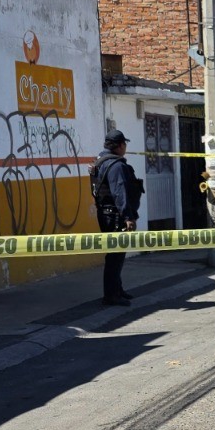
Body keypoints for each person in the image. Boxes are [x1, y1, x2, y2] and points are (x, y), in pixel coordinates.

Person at [90, 129, 142, 306]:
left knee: (115, 254)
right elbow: (120, 192)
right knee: (115, 255)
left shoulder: (100, 161)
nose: (125, 147)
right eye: (124, 144)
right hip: (115, 215)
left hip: (105, 213)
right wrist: (128, 216)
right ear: (120, 146)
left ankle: (117, 289)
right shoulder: (117, 165)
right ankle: (111, 295)